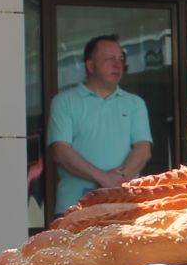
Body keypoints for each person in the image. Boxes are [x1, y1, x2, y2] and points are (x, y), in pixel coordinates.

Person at [47, 34, 151, 214]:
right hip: (75, 206)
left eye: (120, 59)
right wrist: (103, 178)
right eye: (110, 59)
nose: (118, 64)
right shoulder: (64, 102)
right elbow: (60, 152)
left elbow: (143, 150)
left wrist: (118, 179)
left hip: (123, 204)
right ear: (90, 65)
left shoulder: (135, 103)